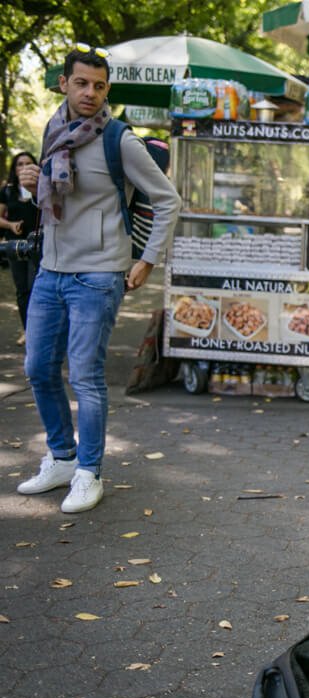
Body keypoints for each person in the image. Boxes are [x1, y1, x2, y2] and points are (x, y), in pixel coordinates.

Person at [15, 43, 181, 513]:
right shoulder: (54, 130)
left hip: (98, 274)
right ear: (64, 84)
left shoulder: (120, 140)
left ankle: (89, 472)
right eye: (82, 83)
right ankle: (61, 458)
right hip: (50, 270)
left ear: (107, 90)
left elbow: (168, 199)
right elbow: (54, 201)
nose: (90, 93)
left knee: (85, 377)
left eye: (100, 86)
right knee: (38, 369)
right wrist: (32, 186)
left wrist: (147, 260)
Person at [0, 152, 41, 346]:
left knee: (35, 288)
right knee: (22, 290)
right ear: (14, 169)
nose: (24, 167)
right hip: (15, 246)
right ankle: (27, 330)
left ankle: (38, 330)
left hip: (37, 246)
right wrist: (10, 225)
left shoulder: (42, 188)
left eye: (28, 163)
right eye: (20, 164)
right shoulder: (7, 191)